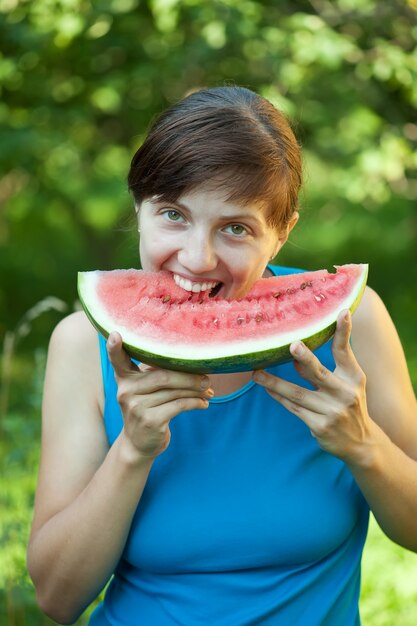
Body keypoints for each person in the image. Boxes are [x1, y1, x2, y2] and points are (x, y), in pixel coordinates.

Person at [27, 86, 417, 626]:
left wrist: (364, 445)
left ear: (281, 235)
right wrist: (132, 453)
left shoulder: (354, 324)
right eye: (173, 215)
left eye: (236, 228)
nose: (196, 257)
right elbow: (56, 598)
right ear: (138, 209)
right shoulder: (81, 345)